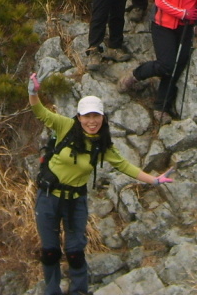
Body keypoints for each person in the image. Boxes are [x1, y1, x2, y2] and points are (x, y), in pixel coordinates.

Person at [29, 72, 172, 295]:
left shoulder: (102, 144)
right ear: (78, 117)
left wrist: (154, 179)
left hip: (76, 201)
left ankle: (79, 291)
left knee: (75, 251)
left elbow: (125, 166)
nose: (91, 121)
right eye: (87, 116)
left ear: (103, 118)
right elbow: (40, 112)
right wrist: (33, 93)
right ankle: (52, 290)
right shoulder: (65, 126)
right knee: (50, 251)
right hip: (49, 197)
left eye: (96, 116)